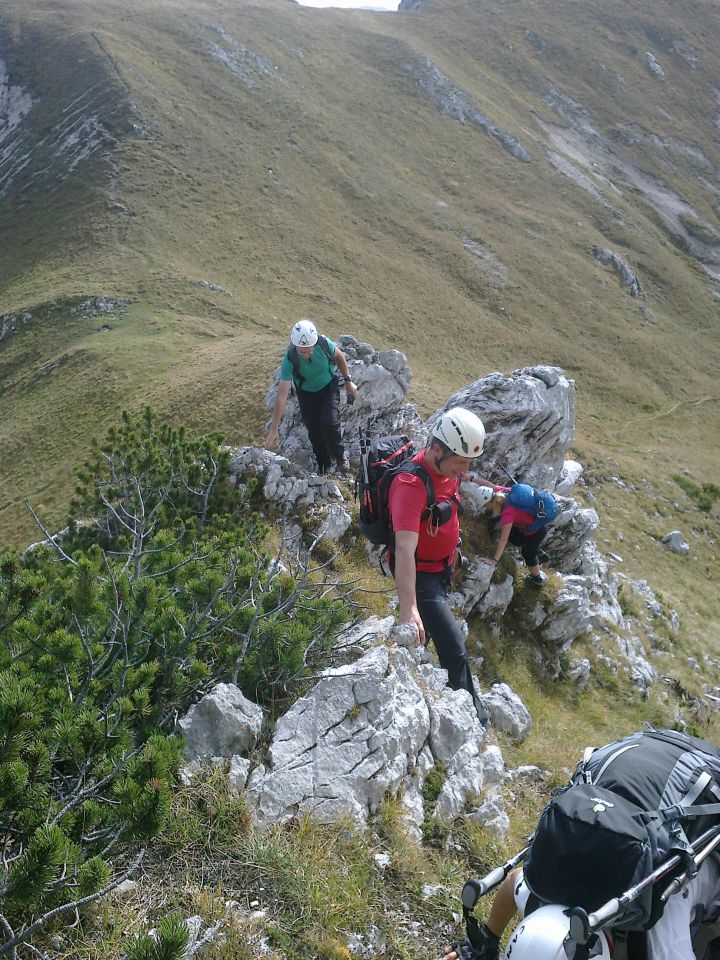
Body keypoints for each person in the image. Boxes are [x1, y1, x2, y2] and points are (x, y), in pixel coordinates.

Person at [444, 729, 720, 960]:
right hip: (640, 781)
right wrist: (485, 944)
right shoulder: (543, 886)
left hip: (692, 843)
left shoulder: (662, 933)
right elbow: (513, 881)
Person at [388, 407, 488, 725]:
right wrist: (408, 607)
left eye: (468, 463)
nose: (464, 470)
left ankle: (431, 685)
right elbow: (404, 548)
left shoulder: (446, 471)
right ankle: (474, 720)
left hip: (441, 569)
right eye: (460, 462)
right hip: (422, 577)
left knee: (432, 636)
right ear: (435, 450)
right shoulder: (409, 484)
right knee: (454, 646)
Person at [264, 319, 358, 474]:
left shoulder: (322, 343)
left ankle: (341, 459)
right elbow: (281, 396)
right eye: (302, 352)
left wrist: (348, 381)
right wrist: (274, 429)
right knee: (314, 432)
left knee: (329, 422)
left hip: (328, 387)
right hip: (306, 394)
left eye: (309, 350)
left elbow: (339, 356)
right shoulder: (290, 358)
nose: (306, 355)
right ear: (295, 347)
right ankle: (324, 466)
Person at [478, 483, 550, 588]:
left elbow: (503, 539)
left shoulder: (507, 514)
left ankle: (537, 579)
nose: (486, 508)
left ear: (489, 502)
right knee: (516, 539)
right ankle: (539, 552)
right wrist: (471, 478)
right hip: (537, 526)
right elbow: (489, 484)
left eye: (485, 505)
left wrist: (493, 561)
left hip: (535, 533)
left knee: (528, 554)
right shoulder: (505, 492)